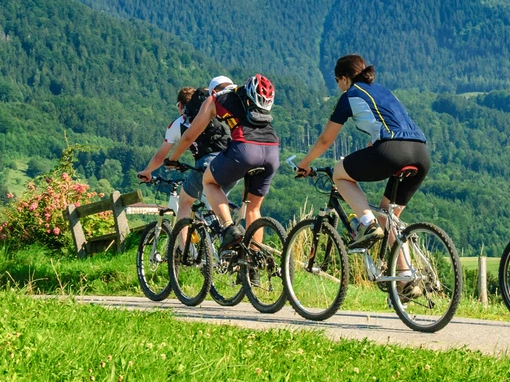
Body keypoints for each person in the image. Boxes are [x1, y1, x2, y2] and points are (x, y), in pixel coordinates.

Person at [296, 54, 430, 249]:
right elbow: (391, 123)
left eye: (337, 81)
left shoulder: (350, 95)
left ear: (344, 78)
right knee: (388, 217)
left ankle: (367, 223)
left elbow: (325, 140)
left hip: (392, 150)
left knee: (340, 174)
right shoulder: (383, 91)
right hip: (421, 153)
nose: (338, 85)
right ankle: (404, 275)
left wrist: (304, 163)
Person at [167, 74, 280, 250]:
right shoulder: (248, 100)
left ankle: (228, 228)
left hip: (245, 149)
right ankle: (253, 262)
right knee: (254, 209)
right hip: (273, 151)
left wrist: (173, 159)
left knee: (208, 181)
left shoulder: (214, 99)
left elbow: (190, 135)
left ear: (211, 90)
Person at [137, 83, 232, 228]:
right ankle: (222, 238)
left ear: (181, 105)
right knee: (213, 204)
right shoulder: (214, 114)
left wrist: (147, 172)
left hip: (208, 164)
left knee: (184, 202)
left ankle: (183, 249)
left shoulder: (179, 123)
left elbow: (160, 156)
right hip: (231, 160)